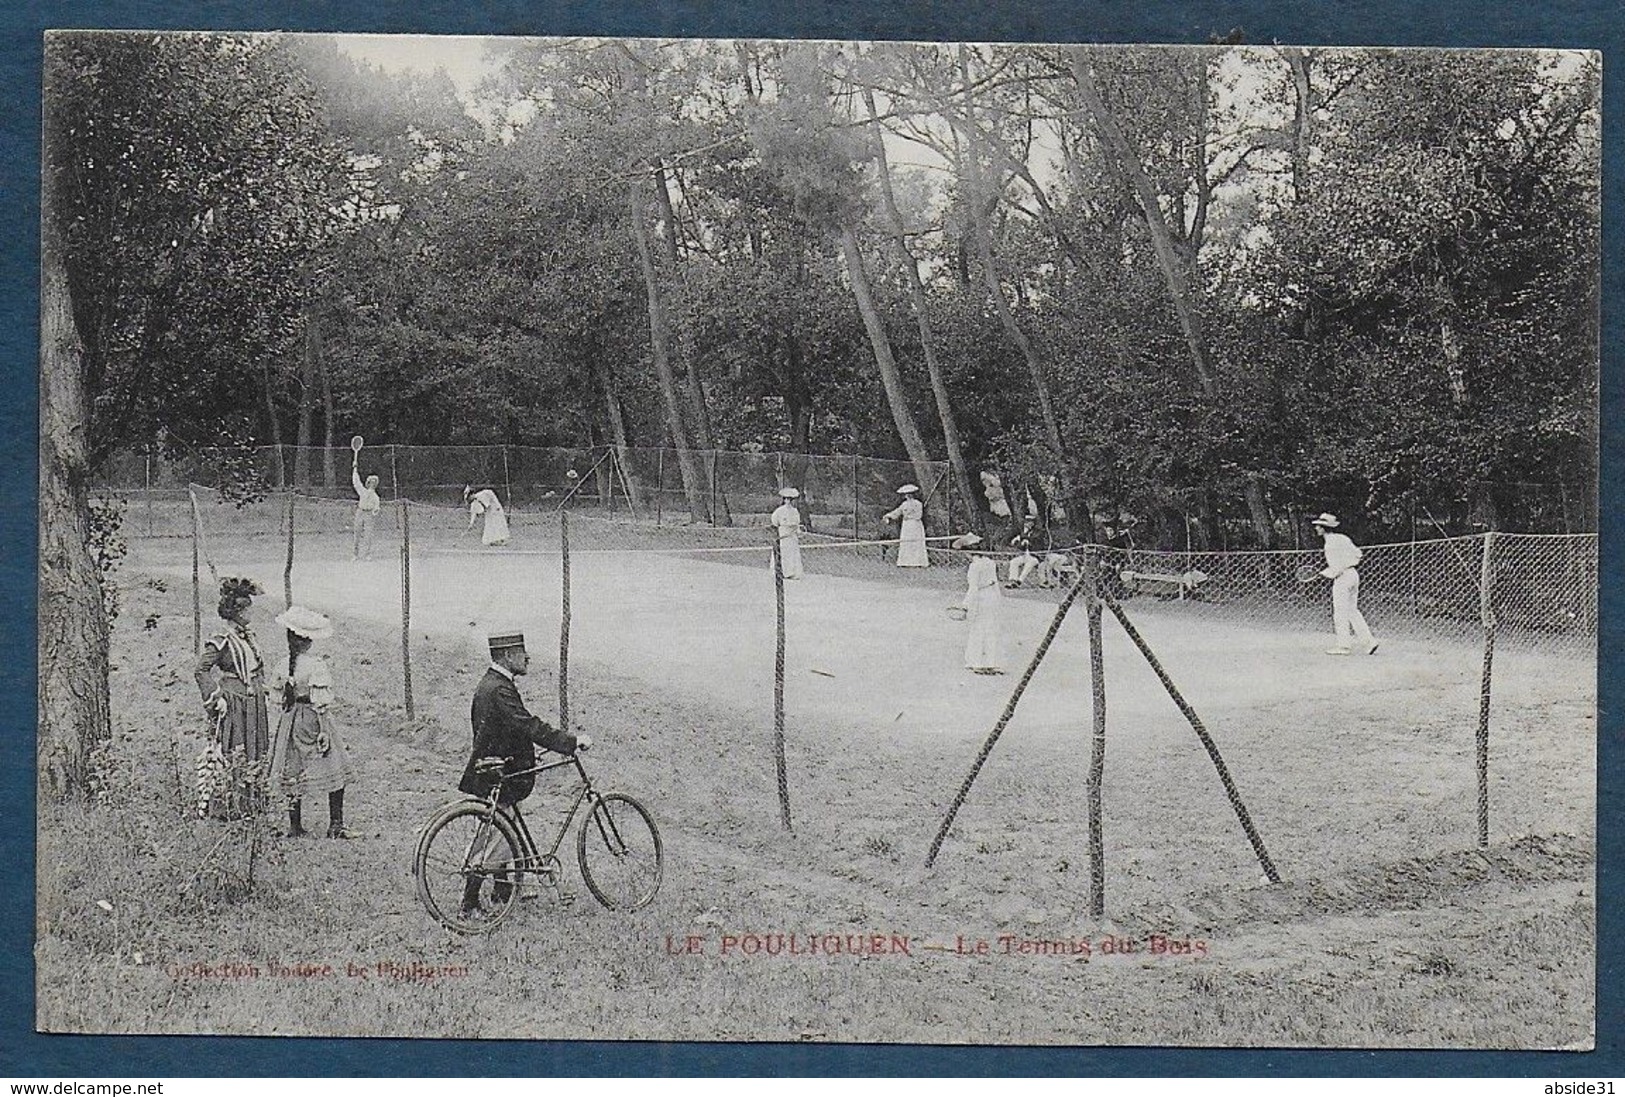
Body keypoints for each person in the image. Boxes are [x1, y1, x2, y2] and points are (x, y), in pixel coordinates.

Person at [458, 632, 590, 916]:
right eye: (522, 652)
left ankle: (502, 891)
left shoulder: (490, 684)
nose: (527, 657)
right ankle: (469, 904)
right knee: (497, 839)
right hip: (500, 774)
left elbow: (504, 730)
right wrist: (570, 742)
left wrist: (526, 753)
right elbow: (529, 725)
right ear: (507, 655)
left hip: (495, 769)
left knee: (502, 831)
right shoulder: (500, 689)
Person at [268, 606, 354, 839]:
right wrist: (324, 729)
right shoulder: (316, 665)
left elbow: (277, 699)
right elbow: (321, 703)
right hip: (311, 717)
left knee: (292, 768)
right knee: (334, 763)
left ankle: (295, 825)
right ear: (308, 641)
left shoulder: (282, 664)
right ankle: (336, 823)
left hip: (291, 718)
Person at [193, 577, 271, 818]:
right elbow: (201, 670)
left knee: (254, 748)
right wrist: (216, 697)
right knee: (234, 747)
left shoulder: (249, 636)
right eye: (248, 609)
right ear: (237, 611)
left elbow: (254, 667)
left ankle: (252, 805)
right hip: (234, 702)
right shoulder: (222, 639)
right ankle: (230, 805)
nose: (251, 613)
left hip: (253, 701)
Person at [1312, 512, 1379, 656]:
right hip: (1353, 575)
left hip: (1343, 578)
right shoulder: (1343, 538)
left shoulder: (1329, 544)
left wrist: (1323, 574)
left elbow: (1336, 568)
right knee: (1352, 610)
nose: (1316, 528)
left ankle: (1343, 646)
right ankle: (1369, 641)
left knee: (1340, 612)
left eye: (1319, 526)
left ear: (1324, 528)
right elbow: (1358, 554)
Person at [954, 533, 1005, 674]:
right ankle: (992, 662)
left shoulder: (974, 567)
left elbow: (973, 588)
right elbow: (995, 584)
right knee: (991, 629)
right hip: (992, 597)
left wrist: (965, 606)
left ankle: (976, 662)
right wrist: (998, 600)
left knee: (977, 629)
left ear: (969, 552)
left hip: (981, 598)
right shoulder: (990, 563)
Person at [882, 484, 929, 568]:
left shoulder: (918, 504)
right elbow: (897, 512)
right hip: (907, 525)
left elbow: (919, 515)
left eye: (909, 494)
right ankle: (906, 561)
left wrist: (910, 515)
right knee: (906, 542)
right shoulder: (904, 504)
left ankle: (918, 562)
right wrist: (888, 515)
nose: (908, 496)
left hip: (915, 524)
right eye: (907, 495)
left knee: (916, 542)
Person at [769, 486, 804, 579]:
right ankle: (780, 572)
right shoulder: (779, 511)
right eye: (786, 499)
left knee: (792, 553)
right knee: (782, 553)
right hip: (783, 534)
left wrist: (798, 531)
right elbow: (775, 521)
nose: (788, 501)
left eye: (790, 499)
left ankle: (791, 572)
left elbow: (797, 523)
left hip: (792, 536)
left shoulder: (795, 511)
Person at [352, 457, 382, 560]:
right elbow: (356, 482)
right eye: (370, 482)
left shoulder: (376, 497)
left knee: (368, 535)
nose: (372, 484)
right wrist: (355, 468)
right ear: (368, 483)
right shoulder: (362, 491)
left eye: (374, 482)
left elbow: (377, 507)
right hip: (360, 512)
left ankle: (367, 554)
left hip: (369, 515)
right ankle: (355, 554)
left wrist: (375, 511)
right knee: (357, 533)